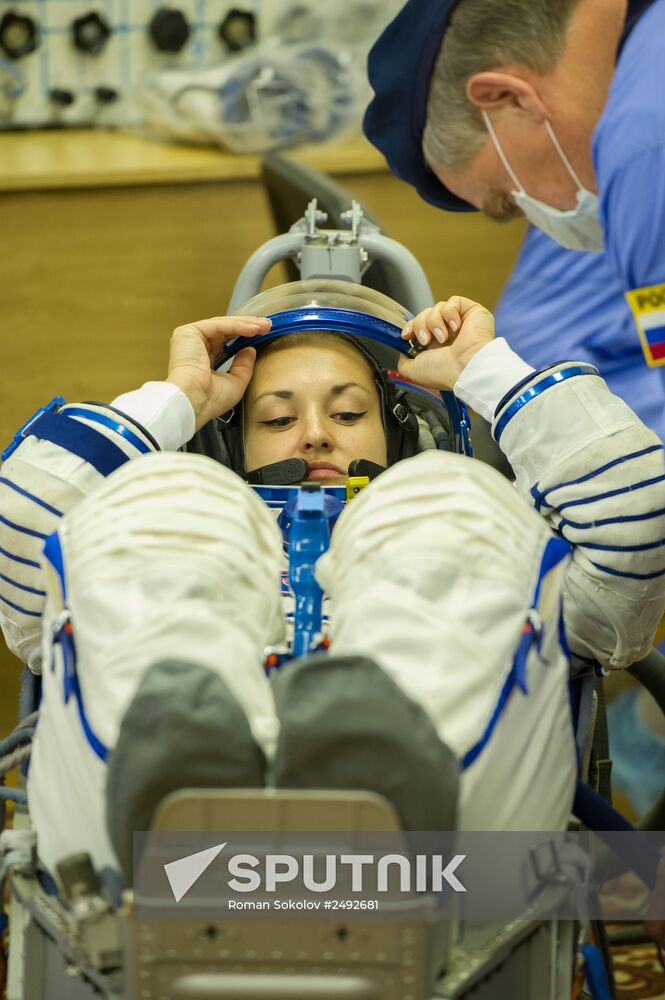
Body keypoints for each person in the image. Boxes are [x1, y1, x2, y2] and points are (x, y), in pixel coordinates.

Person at [0, 285, 664, 895]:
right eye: (277, 419)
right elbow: (18, 525)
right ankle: (191, 782)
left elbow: (639, 521)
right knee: (169, 493)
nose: (315, 432)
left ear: (396, 430)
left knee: (445, 489)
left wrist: (482, 368)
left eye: (347, 412)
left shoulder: (472, 538)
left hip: (443, 862)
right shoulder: (193, 525)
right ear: (232, 444)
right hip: (151, 862)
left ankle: (369, 780)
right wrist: (178, 400)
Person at [363, 0, 665, 375]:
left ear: (506, 97)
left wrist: (489, 381)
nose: (540, 222)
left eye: (509, 202)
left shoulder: (641, 155)